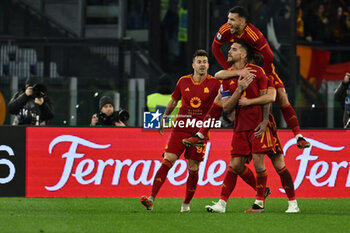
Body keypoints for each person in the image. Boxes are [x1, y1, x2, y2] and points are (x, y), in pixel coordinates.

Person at [206, 45, 299, 213]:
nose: (229, 51)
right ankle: (221, 204)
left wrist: (264, 120)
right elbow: (226, 108)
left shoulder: (258, 72)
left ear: (243, 54)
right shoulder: (228, 77)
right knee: (235, 164)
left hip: (258, 125)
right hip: (240, 128)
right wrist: (239, 89)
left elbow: (268, 97)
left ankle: (282, 203)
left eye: (234, 49)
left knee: (270, 163)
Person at [210, 6, 310, 149]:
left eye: (232, 19)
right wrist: (229, 68)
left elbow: (269, 57)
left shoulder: (254, 35)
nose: (228, 22)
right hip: (239, 69)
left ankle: (298, 136)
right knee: (220, 96)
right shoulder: (225, 30)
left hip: (262, 70)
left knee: (281, 96)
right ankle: (201, 135)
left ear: (243, 22)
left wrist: (261, 75)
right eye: (228, 19)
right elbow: (215, 48)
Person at [140, 49, 221, 212]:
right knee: (168, 159)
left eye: (205, 62)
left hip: (200, 132)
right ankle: (151, 198)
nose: (202, 65)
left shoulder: (215, 83)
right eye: (199, 62)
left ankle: (186, 204)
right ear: (193, 65)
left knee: (193, 167)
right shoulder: (183, 81)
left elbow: (222, 102)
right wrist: (164, 117)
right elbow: (173, 101)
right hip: (180, 128)